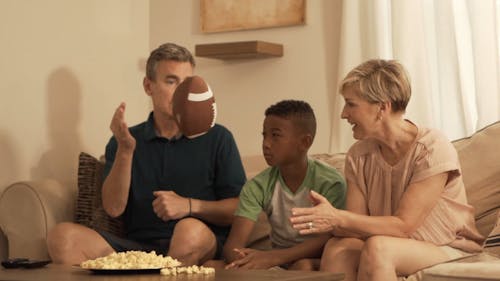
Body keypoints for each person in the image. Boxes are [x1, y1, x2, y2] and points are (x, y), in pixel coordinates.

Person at [47, 43, 247, 266]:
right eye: (171, 81)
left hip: (197, 241)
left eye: (186, 83)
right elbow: (113, 208)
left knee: (188, 230)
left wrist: (189, 206)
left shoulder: (218, 137)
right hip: (138, 248)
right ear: (148, 86)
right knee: (62, 237)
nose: (182, 92)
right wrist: (125, 150)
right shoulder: (125, 140)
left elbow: (240, 208)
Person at [290, 59, 484, 281]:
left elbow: (404, 226)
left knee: (379, 248)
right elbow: (355, 225)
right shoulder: (358, 155)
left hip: (448, 248)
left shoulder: (432, 147)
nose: (344, 114)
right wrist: (327, 220)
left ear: (382, 107)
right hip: (392, 244)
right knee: (337, 247)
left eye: (351, 104)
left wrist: (337, 218)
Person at [222, 100, 346, 270]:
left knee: (303, 266)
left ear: (304, 142)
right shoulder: (257, 185)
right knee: (210, 266)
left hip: (315, 259)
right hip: (277, 262)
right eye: (264, 135)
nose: (266, 143)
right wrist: (243, 260)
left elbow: (329, 238)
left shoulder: (331, 182)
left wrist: (273, 258)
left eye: (275, 135)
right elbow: (233, 245)